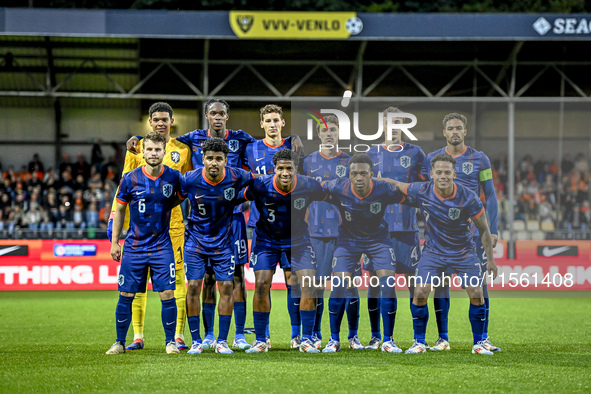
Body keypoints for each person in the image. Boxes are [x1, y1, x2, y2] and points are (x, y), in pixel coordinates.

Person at [126, 99, 256, 350]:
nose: (217, 117)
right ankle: (201, 337)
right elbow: (159, 141)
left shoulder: (242, 139)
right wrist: (137, 137)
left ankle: (238, 334)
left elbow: (263, 155)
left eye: (222, 113)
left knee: (236, 278)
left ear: (227, 116)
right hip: (197, 226)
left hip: (232, 219)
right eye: (213, 113)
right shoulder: (190, 140)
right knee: (201, 281)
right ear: (207, 115)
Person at [385, 153, 498, 355]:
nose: (443, 176)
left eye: (447, 172)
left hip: (463, 252)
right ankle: (419, 342)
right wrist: (373, 181)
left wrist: (490, 260)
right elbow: (397, 185)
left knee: (477, 294)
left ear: (454, 174)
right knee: (419, 293)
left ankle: (479, 343)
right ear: (431, 174)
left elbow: (484, 230)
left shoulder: (468, 197)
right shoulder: (422, 189)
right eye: (439, 172)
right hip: (433, 252)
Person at [108, 102, 192, 351]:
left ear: (172, 121)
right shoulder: (134, 150)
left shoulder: (183, 149)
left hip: (171, 228)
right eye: (156, 119)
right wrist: (115, 228)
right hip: (138, 232)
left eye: (165, 119)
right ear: (150, 122)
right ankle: (137, 336)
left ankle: (176, 336)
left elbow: (186, 187)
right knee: (134, 288)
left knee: (176, 282)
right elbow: (123, 195)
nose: (160, 123)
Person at [419, 113, 500, 352]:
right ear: (444, 132)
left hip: (473, 233)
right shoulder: (432, 159)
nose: (455, 132)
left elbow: (491, 194)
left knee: (479, 284)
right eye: (450, 128)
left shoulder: (480, 159)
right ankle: (442, 338)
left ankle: (482, 338)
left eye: (459, 128)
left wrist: (492, 229)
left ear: (465, 132)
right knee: (440, 283)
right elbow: (425, 191)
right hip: (440, 235)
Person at [321, 154, 407, 354]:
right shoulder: (337, 187)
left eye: (363, 173)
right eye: (354, 173)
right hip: (348, 241)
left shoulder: (384, 188)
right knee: (339, 284)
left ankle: (388, 340)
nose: (359, 177)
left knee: (387, 284)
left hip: (378, 240)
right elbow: (314, 188)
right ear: (349, 175)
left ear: (371, 175)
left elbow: (411, 197)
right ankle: (334, 339)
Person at [243, 150, 325, 353]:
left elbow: (330, 196)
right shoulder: (260, 185)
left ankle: (306, 339)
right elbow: (236, 197)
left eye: (289, 168)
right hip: (266, 241)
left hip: (297, 241)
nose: (285, 172)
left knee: (308, 283)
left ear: (296, 169)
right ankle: (261, 340)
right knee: (261, 285)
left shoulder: (309, 185)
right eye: (281, 168)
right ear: (274, 169)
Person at [181, 138, 255, 355]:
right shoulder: (189, 179)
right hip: (196, 241)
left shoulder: (237, 176)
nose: (214, 162)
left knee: (227, 287)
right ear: (202, 159)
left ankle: (222, 340)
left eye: (219, 159)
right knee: (194, 286)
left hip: (223, 242)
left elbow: (260, 182)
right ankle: (197, 340)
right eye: (210, 158)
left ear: (226, 160)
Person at [243, 104, 305, 349]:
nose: (271, 124)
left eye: (276, 120)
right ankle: (262, 338)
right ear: (261, 124)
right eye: (267, 120)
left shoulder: (294, 146)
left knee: (294, 283)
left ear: (282, 123)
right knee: (262, 283)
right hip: (262, 227)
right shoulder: (250, 149)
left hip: (292, 228)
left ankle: (296, 335)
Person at [366, 107, 426, 350]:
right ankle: (376, 336)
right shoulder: (370, 153)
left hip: (407, 228)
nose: (393, 127)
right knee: (375, 283)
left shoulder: (416, 153)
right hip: (375, 230)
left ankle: (417, 338)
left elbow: (425, 190)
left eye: (398, 122)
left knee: (414, 283)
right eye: (389, 123)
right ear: (382, 125)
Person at [302, 114, 363, 350]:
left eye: (333, 130)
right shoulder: (307, 162)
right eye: (325, 130)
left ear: (339, 133)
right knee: (317, 286)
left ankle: (352, 336)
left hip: (346, 234)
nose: (329, 134)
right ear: (318, 134)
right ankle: (316, 334)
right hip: (315, 232)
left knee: (348, 285)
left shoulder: (351, 163)